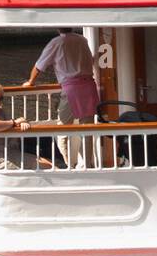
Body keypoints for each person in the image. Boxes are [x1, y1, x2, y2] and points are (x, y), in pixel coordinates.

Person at [23, 29, 100, 167]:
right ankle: (86, 165)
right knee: (87, 129)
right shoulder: (82, 40)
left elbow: (39, 65)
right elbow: (90, 59)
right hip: (88, 86)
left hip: (71, 88)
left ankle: (67, 165)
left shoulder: (57, 42)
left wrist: (30, 82)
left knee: (62, 131)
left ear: (57, 28)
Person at [0, 81, 50, 170]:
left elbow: (11, 124)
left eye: (0, 98)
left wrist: (22, 122)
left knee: (48, 163)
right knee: (44, 166)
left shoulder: (1, 112)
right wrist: (14, 122)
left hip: (11, 152)